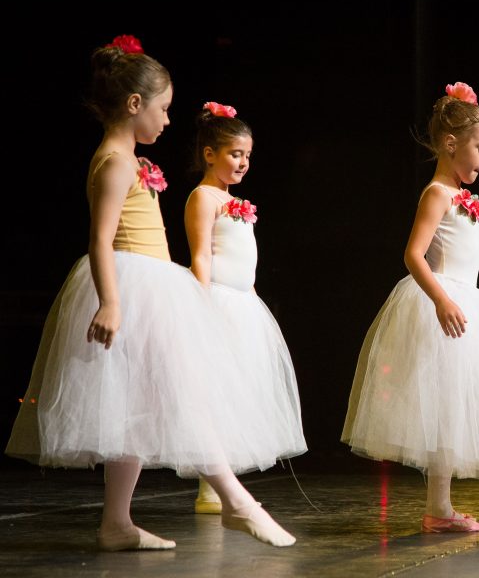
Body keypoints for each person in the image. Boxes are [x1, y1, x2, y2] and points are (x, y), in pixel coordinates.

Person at [5, 35, 296, 549]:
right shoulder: (116, 162)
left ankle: (117, 523)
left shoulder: (128, 159)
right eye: (162, 109)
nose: (166, 121)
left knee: (138, 405)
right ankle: (236, 501)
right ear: (135, 104)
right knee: (184, 394)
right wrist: (112, 302)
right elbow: (99, 238)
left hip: (153, 282)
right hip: (135, 284)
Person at [342, 82, 479, 536]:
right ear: (450, 144)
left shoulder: (461, 198)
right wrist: (441, 300)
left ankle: (439, 509)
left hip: (469, 306)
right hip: (445, 305)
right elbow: (413, 255)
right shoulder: (437, 194)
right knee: (474, 404)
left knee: (454, 408)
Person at [183, 101, 307, 515]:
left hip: (242, 303)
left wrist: (253, 298)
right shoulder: (203, 197)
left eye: (248, 156)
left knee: (238, 394)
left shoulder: (235, 201)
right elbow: (201, 255)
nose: (243, 163)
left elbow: (245, 261)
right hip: (217, 299)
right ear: (209, 154)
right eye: (236, 154)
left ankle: (225, 479)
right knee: (214, 393)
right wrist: (199, 307)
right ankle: (209, 486)